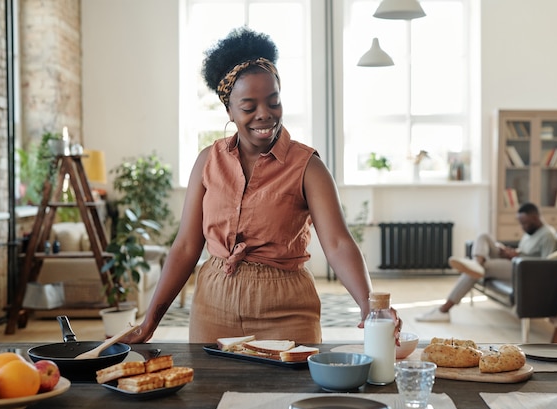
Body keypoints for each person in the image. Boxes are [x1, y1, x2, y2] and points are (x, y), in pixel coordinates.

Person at [126, 27, 401, 344]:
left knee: (288, 394)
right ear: (229, 109)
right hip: (213, 308)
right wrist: (150, 321)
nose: (264, 115)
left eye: (274, 102)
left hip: (286, 311)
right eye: (249, 106)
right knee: (210, 393)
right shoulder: (207, 161)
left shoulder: (308, 167)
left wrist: (371, 308)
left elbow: (339, 244)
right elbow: (186, 246)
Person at [415, 202, 557, 322]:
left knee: (482, 268)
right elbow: (526, 251)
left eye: (525, 223)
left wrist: (516, 257)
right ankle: (477, 262)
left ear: (535, 217)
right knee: (483, 237)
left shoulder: (548, 235)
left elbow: (547, 265)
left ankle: (444, 309)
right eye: (521, 223)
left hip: (522, 270)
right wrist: (511, 252)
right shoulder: (531, 232)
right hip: (514, 260)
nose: (523, 227)